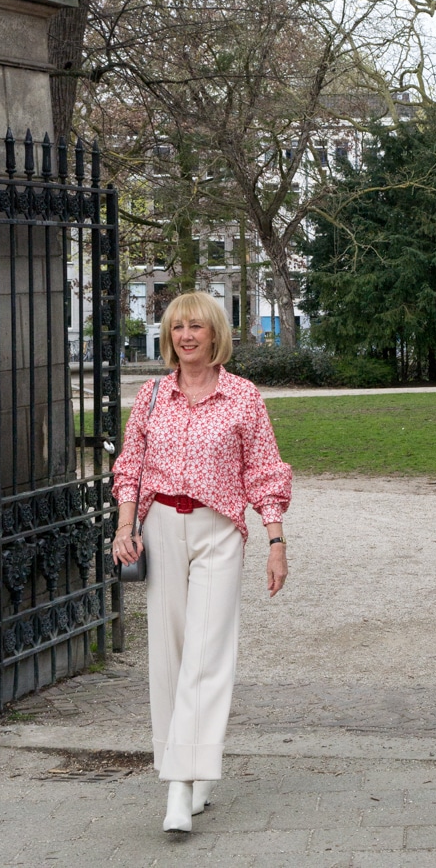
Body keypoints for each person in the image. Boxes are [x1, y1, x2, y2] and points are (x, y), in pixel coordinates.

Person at [111, 290, 291, 833]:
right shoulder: (150, 397)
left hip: (220, 530)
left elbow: (264, 470)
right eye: (177, 327)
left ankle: (182, 786)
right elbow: (130, 466)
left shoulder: (243, 396)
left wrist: (276, 541)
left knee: (208, 653)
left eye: (196, 326)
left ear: (215, 334)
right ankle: (181, 770)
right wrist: (125, 528)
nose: (186, 335)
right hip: (160, 526)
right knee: (168, 652)